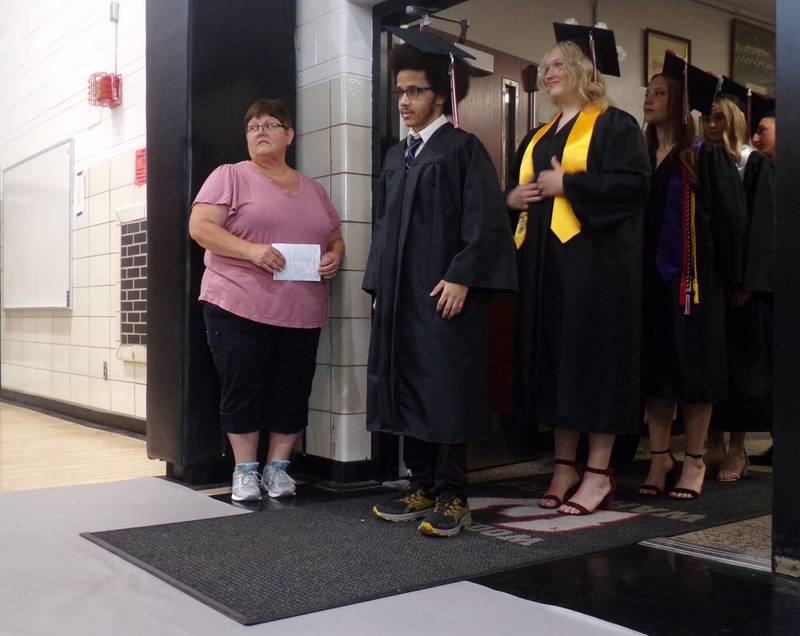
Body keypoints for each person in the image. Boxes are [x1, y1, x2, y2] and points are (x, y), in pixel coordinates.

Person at [364, 27, 517, 537]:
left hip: (444, 295)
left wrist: (461, 275)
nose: (404, 101)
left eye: (414, 91)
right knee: (408, 384)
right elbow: (384, 229)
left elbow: (485, 222)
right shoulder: (395, 157)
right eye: (399, 92)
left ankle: (455, 497)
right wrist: (379, 286)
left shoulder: (461, 150)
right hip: (403, 296)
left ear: (440, 93)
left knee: (446, 390)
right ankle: (422, 486)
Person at [507, 24, 650, 516]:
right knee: (555, 364)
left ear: (584, 71)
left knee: (593, 365)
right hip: (545, 268)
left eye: (558, 64)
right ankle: (563, 465)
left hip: (596, 271)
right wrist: (511, 199)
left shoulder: (616, 126)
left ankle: (598, 473)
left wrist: (572, 183)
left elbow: (633, 187)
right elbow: (521, 197)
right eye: (544, 66)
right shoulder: (536, 136)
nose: (548, 71)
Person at [189, 99, 344, 502]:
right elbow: (201, 227)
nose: (259, 131)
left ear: (289, 135)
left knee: (292, 388)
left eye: (270, 124)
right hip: (238, 303)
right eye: (252, 126)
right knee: (243, 387)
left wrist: (335, 256)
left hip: (302, 309)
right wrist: (253, 252)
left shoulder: (314, 189)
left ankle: (278, 469)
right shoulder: (231, 176)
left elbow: (334, 236)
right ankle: (245, 471)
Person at [639, 53, 745, 500]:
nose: (649, 98)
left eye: (659, 92)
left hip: (694, 284)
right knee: (656, 371)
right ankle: (660, 456)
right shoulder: (641, 155)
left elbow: (731, 222)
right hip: (650, 284)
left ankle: (696, 459)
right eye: (648, 91)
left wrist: (737, 280)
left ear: (680, 102)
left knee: (695, 371)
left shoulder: (705, 157)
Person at [702, 84, 776, 481]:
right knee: (712, 365)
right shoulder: (699, 158)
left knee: (742, 370)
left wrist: (746, 281)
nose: (712, 125)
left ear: (733, 121)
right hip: (708, 284)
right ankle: (711, 444)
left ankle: (737, 448)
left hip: (742, 288)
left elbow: (763, 227)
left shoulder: (754, 164)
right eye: (707, 117)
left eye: (719, 118)